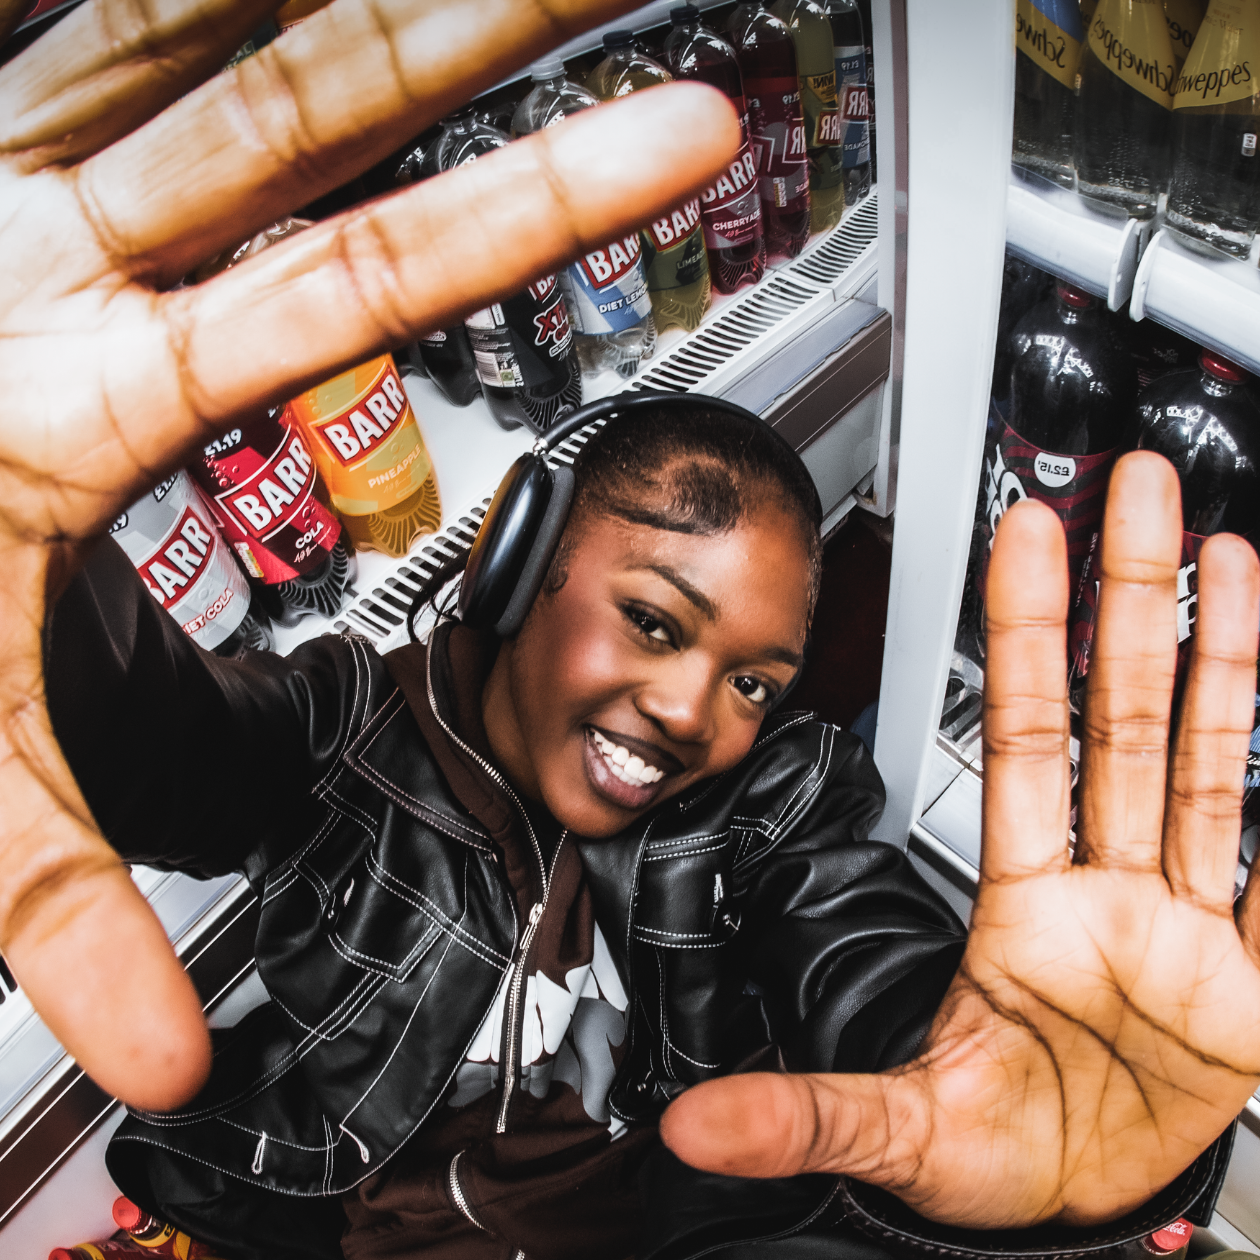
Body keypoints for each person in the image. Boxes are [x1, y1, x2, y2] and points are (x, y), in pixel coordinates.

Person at [3, 0, 1260, 1257]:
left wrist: (980, 1071)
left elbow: (860, 952)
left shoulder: (772, 804)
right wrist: (44, 578)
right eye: (656, 621)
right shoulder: (347, 731)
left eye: (754, 683)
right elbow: (154, 744)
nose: (693, 713)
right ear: (522, 559)